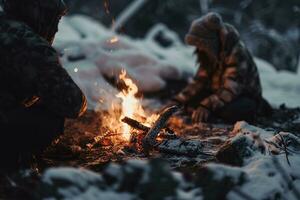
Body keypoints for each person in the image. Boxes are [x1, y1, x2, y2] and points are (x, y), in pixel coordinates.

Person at [0, 0, 87, 170]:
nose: (55, 28)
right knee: (50, 118)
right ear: (38, 14)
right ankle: (11, 163)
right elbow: (72, 101)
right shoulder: (28, 42)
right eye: (55, 19)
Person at [170, 12, 271, 123]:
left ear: (210, 42)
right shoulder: (208, 54)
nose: (199, 49)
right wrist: (176, 101)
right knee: (191, 101)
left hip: (242, 96)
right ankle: (211, 113)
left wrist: (206, 106)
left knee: (231, 110)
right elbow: (199, 81)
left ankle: (258, 109)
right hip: (220, 93)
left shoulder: (237, 53)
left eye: (201, 45)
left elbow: (230, 89)